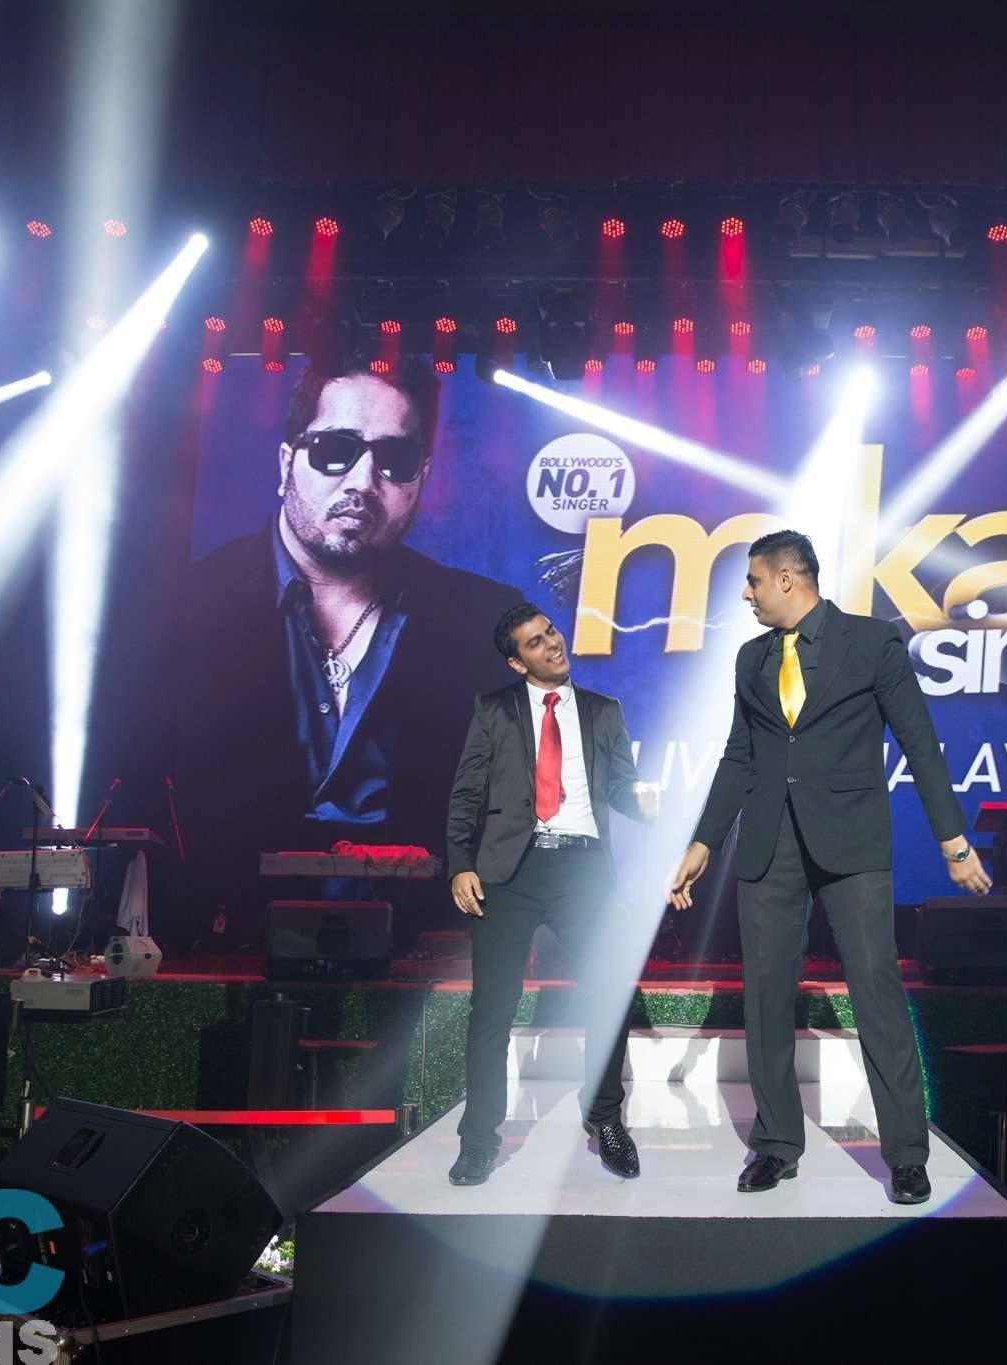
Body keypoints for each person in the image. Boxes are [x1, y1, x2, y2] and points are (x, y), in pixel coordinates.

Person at [669, 530, 991, 1204]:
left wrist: (953, 841)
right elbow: (739, 754)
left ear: (789, 579)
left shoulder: (871, 642)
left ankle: (906, 1154)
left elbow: (919, 741)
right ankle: (776, 1144)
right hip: (768, 846)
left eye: (754, 580)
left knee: (876, 992)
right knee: (766, 999)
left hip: (852, 845)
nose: (747, 593)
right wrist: (703, 842)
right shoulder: (751, 657)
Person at [161, 352, 519, 931]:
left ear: (422, 475)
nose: (362, 482)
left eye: (394, 459)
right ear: (287, 462)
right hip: (218, 944)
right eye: (335, 450)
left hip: (421, 954)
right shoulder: (178, 611)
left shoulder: (487, 622)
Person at [445, 603, 658, 1185]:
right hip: (509, 873)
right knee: (492, 1011)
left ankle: (605, 1119)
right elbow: (466, 793)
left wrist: (645, 802)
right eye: (535, 642)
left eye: (552, 632)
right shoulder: (494, 710)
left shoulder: (604, 711)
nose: (552, 644)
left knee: (607, 996)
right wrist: (460, 864)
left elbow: (621, 788)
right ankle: (479, 1139)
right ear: (517, 662)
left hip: (583, 871)